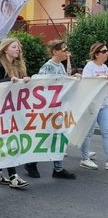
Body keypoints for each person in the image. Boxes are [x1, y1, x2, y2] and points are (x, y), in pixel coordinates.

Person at [0, 38, 30, 189]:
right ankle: (13, 176)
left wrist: (25, 81)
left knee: (10, 140)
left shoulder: (19, 65)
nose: (18, 50)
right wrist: (8, 80)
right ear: (5, 49)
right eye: (14, 47)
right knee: (10, 140)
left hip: (15, 108)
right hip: (1, 109)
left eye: (19, 47)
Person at [34, 40, 77, 179]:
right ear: (55, 52)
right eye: (63, 50)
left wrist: (72, 78)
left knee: (59, 136)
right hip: (49, 110)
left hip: (59, 109)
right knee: (44, 137)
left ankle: (58, 168)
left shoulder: (60, 66)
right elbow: (40, 85)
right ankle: (31, 162)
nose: (66, 52)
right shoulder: (48, 67)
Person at [80, 42, 108, 170]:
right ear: (96, 54)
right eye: (104, 51)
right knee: (89, 132)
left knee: (106, 131)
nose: (106, 53)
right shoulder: (89, 67)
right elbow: (86, 85)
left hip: (104, 104)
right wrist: (102, 78)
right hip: (92, 105)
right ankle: (85, 158)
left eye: (106, 51)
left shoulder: (105, 67)